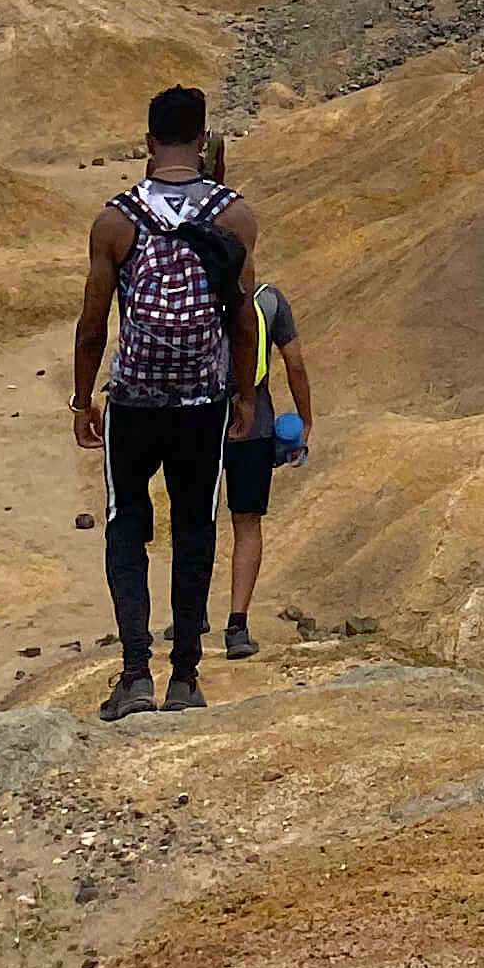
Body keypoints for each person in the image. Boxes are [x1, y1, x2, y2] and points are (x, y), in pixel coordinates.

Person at [73, 84, 255, 717]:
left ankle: (133, 675)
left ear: (147, 142)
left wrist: (80, 400)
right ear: (203, 141)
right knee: (196, 529)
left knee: (127, 526)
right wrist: (243, 395)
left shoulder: (116, 221)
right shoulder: (233, 217)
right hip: (202, 400)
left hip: (134, 401)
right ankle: (185, 677)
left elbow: (94, 323)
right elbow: (242, 319)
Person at [219, 253, 314, 663]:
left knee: (194, 521)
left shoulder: (195, 297)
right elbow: (294, 363)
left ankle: (187, 618)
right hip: (253, 423)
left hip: (196, 421)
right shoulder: (269, 302)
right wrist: (305, 420)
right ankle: (237, 626)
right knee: (247, 523)